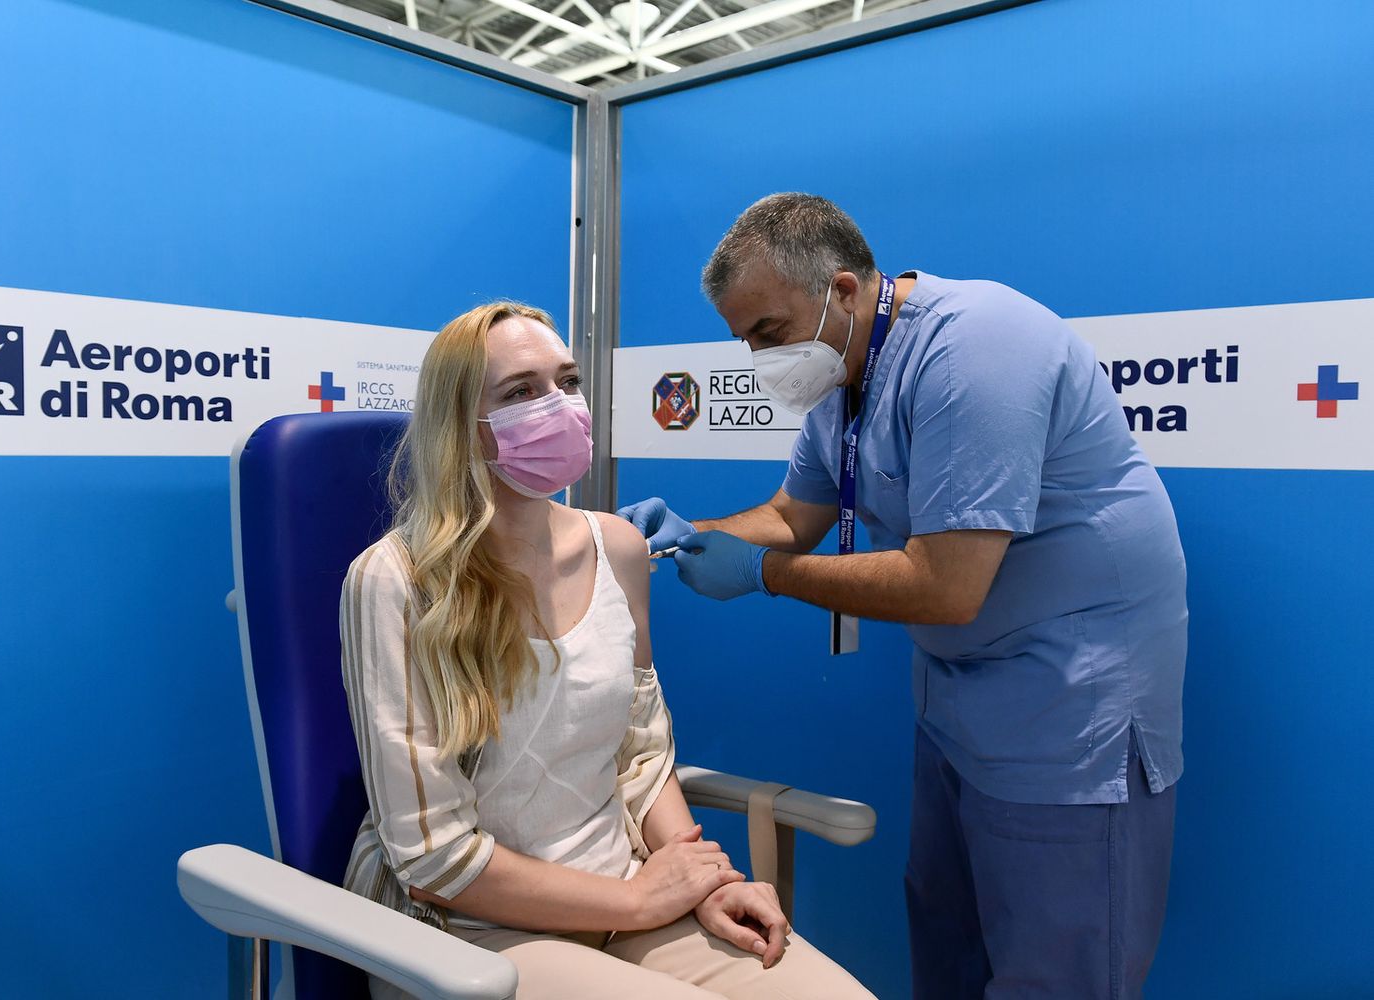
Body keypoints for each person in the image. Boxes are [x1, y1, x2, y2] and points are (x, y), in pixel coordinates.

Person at [620, 193, 1187, 1000]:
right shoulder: (845, 374)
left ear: (843, 290)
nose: (758, 357)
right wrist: (687, 530)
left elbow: (946, 585)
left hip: (1072, 703)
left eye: (768, 333)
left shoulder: (977, 348)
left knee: (1058, 970)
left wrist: (760, 575)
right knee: (948, 946)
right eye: (743, 339)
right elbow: (791, 516)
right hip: (960, 704)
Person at [339, 301, 876, 1000]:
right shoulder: (395, 580)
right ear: (460, 427)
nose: (559, 405)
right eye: (521, 392)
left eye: (567, 381)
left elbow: (642, 753)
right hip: (464, 928)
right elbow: (431, 857)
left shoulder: (616, 548)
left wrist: (698, 877)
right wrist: (642, 902)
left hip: (627, 888)